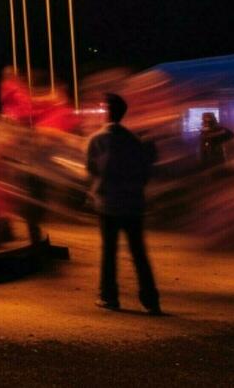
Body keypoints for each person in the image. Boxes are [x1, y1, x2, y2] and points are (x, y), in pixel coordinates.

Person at [85, 92, 160, 314]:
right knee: (139, 252)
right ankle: (150, 299)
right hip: (133, 203)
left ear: (107, 111)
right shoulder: (133, 140)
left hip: (108, 204)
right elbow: (145, 171)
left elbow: (91, 170)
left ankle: (109, 296)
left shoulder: (97, 140)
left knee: (109, 251)